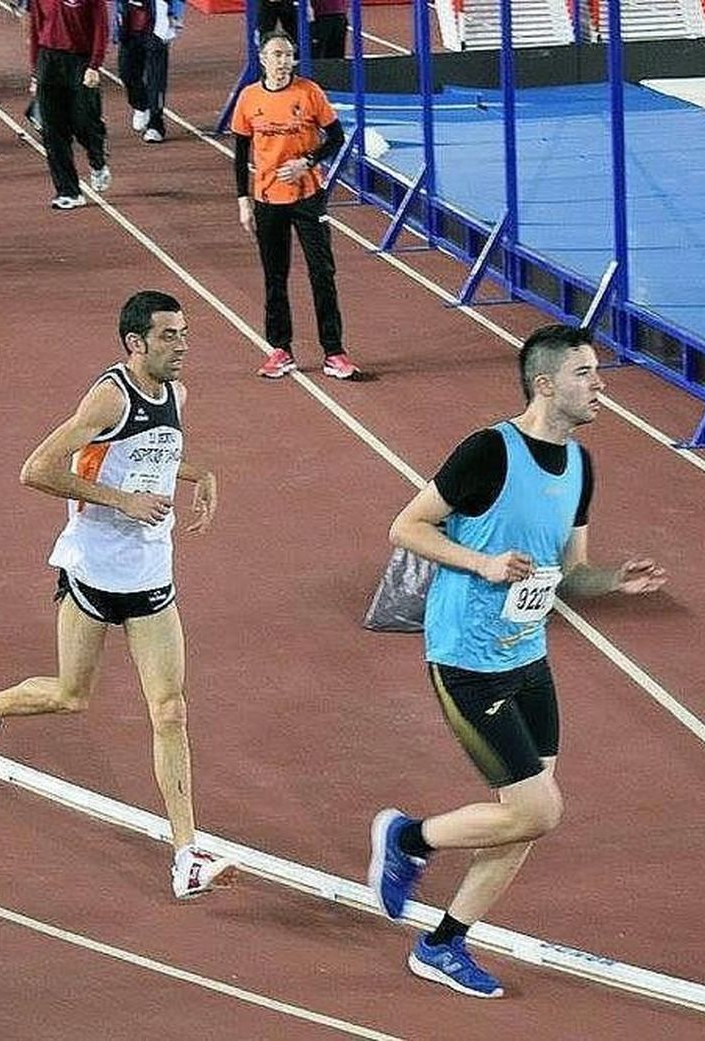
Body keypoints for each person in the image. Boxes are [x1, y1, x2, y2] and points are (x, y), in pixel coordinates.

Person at [369, 324, 666, 998]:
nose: (601, 386)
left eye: (598, 372)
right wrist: (484, 562)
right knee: (539, 808)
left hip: (529, 656)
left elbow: (573, 572)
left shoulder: (581, 464)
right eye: (586, 373)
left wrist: (615, 580)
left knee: (526, 815)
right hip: (466, 657)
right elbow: (406, 526)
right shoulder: (489, 452)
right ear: (545, 383)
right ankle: (409, 837)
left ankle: (442, 944)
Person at [0, 290, 234, 901]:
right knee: (70, 696)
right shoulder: (110, 397)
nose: (183, 345)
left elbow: (155, 457)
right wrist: (123, 503)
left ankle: (186, 853)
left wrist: (202, 474)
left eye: (185, 333)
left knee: (170, 709)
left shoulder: (176, 396)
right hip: (92, 572)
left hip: (151, 577)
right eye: (169, 336)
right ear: (135, 343)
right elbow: (37, 470)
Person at [230, 30, 356, 380]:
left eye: (288, 55)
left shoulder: (309, 93)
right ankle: (280, 349)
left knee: (323, 273)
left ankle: (334, 351)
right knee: (275, 277)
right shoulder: (248, 99)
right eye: (276, 54)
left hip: (308, 198)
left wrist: (308, 161)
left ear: (295, 60)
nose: (282, 61)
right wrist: (244, 201)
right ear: (263, 59)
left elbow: (337, 137)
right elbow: (240, 154)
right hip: (268, 199)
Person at [26, 0, 112, 210]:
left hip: (80, 62)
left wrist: (95, 65)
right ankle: (68, 191)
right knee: (52, 130)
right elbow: (36, 28)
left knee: (84, 122)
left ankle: (97, 160)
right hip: (49, 61)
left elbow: (101, 26)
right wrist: (35, 73)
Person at [116, 0, 182, 143]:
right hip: (130, 28)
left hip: (156, 28)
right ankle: (140, 105)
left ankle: (156, 125)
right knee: (126, 74)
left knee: (156, 80)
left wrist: (176, 16)